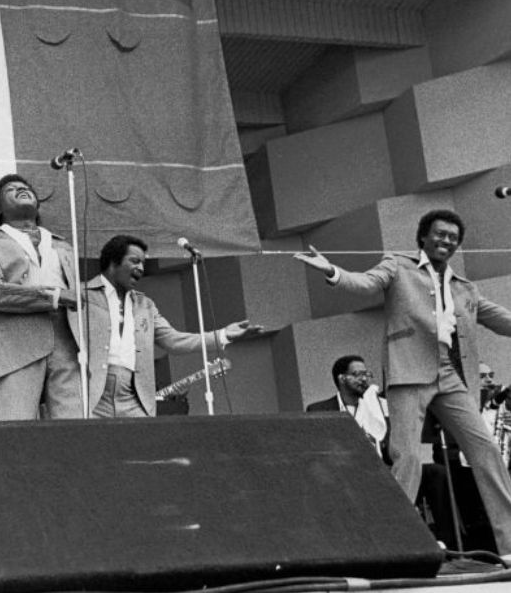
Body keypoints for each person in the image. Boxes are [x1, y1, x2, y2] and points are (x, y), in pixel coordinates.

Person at [296, 209, 511, 557]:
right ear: (423, 237)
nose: (447, 241)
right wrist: (333, 272)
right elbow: (365, 282)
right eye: (440, 234)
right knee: (407, 456)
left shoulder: (464, 289)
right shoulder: (398, 266)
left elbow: (502, 320)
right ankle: (392, 544)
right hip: (409, 372)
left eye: (453, 238)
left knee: (486, 450)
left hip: (451, 376)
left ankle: (510, 544)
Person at [73, 235, 262, 418]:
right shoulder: (80, 295)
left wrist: (223, 335)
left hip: (134, 397)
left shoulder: (145, 305)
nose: (140, 268)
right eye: (134, 261)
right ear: (113, 262)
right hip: (90, 394)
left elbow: (174, 341)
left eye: (143, 264)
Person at [0, 174, 81, 420]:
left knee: (75, 433)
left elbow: (77, 297)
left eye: (25, 188)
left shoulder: (62, 244)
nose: (21, 189)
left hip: (69, 344)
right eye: (11, 189)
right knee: (17, 433)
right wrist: (52, 296)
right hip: (17, 347)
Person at [306, 355, 391, 464]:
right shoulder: (318, 411)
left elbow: (390, 452)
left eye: (366, 374)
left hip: (376, 471)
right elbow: (317, 454)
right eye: (357, 375)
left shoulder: (379, 407)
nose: (364, 379)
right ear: (341, 378)